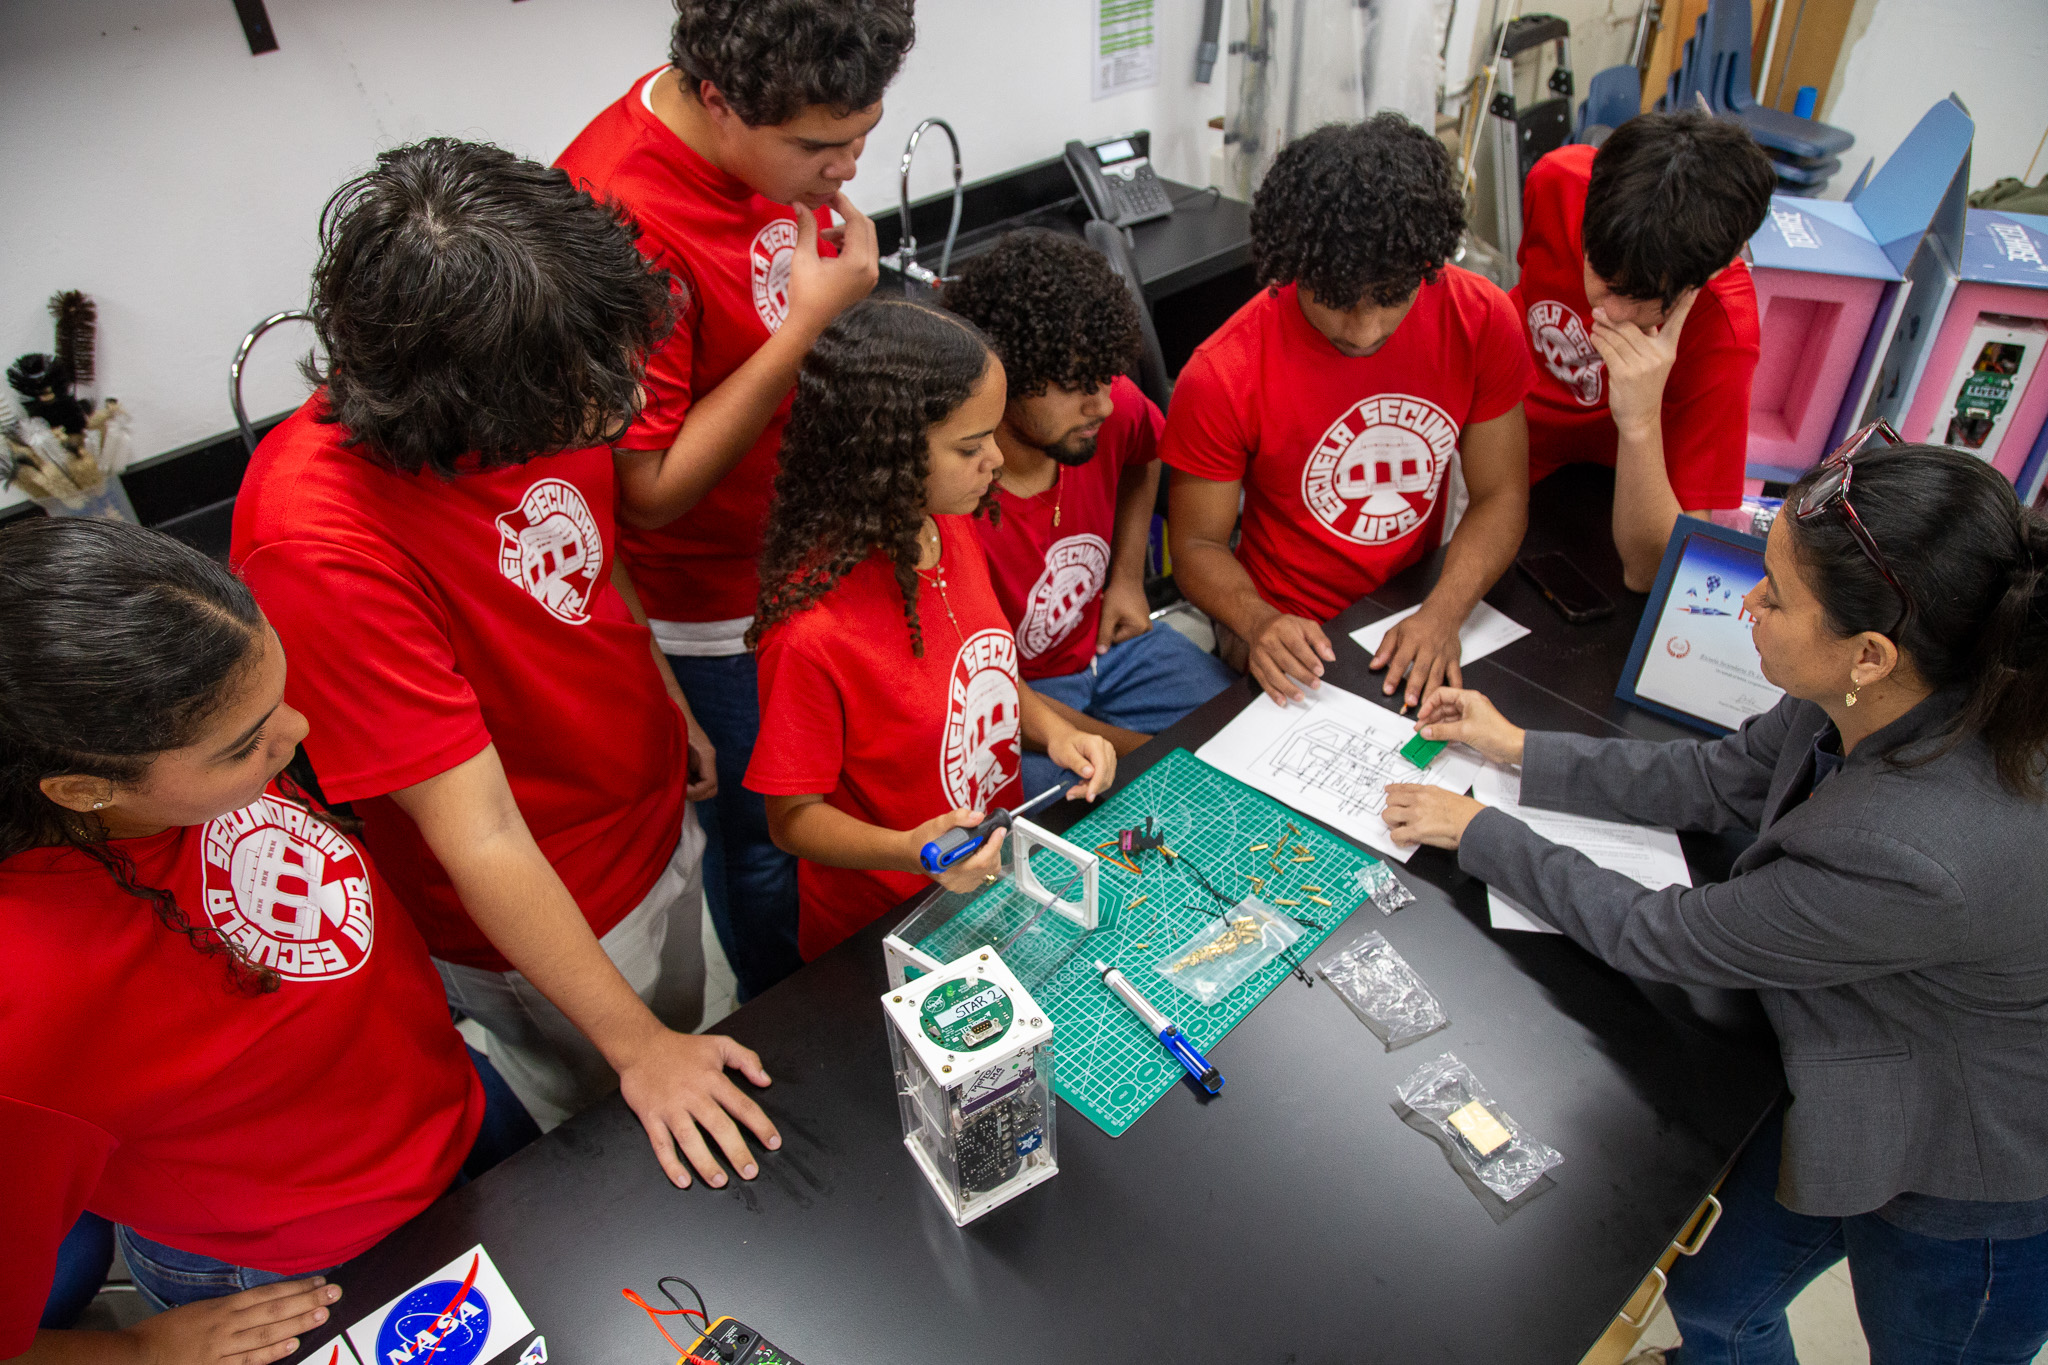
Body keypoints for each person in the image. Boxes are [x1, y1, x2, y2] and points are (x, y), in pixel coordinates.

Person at [1381, 436, 2048, 1364]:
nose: (1747, 604)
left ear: (1869, 651)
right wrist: (1519, 750)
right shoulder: (1881, 686)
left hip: (1962, 1180)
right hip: (1845, 1069)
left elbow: (1667, 934)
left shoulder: (1917, 846)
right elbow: (1719, 775)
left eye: (1774, 596)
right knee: (1714, 1298)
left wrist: (1481, 832)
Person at [232, 139, 778, 1191]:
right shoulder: (315, 543)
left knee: (713, 1029)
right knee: (641, 1151)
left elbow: (587, 552)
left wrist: (664, 698)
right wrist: (634, 1048)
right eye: (592, 397)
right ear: (466, 402)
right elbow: (476, 834)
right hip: (560, 910)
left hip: (650, 815)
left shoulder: (547, 361)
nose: (622, 410)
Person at [3, 518, 539, 1363]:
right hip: (302, 1261)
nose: (296, 734)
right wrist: (136, 1353)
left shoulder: (199, 748)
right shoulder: (24, 1006)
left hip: (448, 1111)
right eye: (246, 744)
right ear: (84, 788)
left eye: (276, 699)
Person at [556, 0, 911, 1001]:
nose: (845, 171)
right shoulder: (616, 217)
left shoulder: (773, 146)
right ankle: (793, 1030)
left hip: (809, 554)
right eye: (818, 149)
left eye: (861, 139)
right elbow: (647, 493)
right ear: (718, 100)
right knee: (766, 843)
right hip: (714, 605)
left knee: (845, 804)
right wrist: (807, 326)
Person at [744, 299, 1119, 960]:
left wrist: (1058, 731)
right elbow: (791, 819)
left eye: (994, 434)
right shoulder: (811, 632)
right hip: (885, 922)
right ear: (883, 455)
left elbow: (985, 675)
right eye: (970, 447)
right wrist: (915, 848)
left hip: (982, 882)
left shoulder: (945, 522)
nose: (997, 460)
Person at [1164, 114, 1536, 711]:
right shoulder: (1222, 373)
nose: (1364, 331)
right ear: (1292, 270)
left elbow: (1500, 495)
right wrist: (1258, 622)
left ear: (1428, 267)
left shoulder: (1481, 318)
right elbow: (1197, 547)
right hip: (1284, 621)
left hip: (1412, 597)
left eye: (1391, 298)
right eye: (1334, 302)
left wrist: (1440, 614)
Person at [943, 228, 1236, 792]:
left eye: (1105, 375)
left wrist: (1126, 578)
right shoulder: (953, 500)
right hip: (1017, 696)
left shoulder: (1107, 409)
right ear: (1002, 380)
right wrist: (1155, 754)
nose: (1101, 402)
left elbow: (1144, 456)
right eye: (1076, 384)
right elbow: (995, 689)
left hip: (1112, 649)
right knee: (1048, 817)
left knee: (1242, 727)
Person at [1513, 112, 1775, 590]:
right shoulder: (1557, 181)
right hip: (1507, 448)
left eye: (1636, 297)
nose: (1608, 312)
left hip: (1610, 501)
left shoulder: (1723, 327)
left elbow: (1655, 572)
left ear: (1705, 277)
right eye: (1600, 277)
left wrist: (1639, 422)